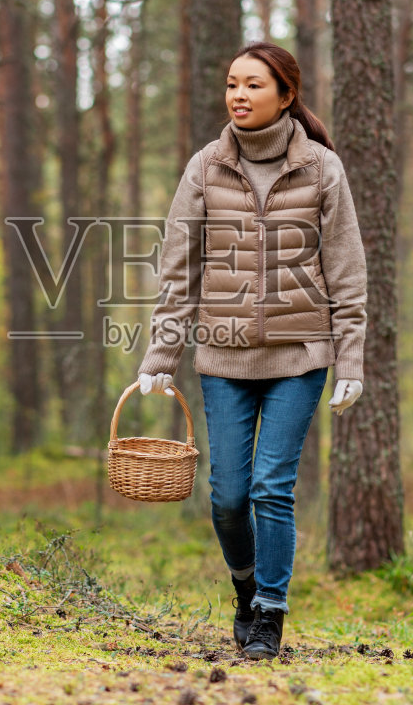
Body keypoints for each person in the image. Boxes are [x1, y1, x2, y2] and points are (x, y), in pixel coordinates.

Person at [136, 41, 367, 660]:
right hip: (224, 358)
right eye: (232, 84)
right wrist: (161, 355)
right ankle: (244, 587)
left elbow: (346, 269)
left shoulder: (321, 167)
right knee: (228, 495)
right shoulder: (206, 165)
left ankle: (270, 610)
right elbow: (178, 269)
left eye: (253, 85)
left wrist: (350, 359)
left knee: (271, 487)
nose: (238, 95)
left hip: (300, 356)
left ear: (286, 95)